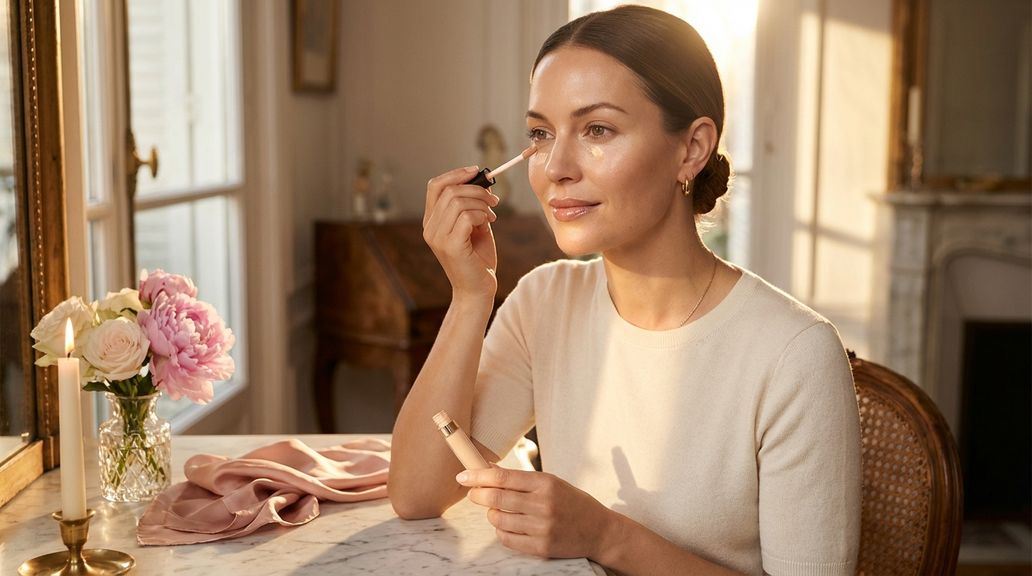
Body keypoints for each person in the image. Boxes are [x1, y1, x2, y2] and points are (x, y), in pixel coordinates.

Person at [388, 6, 861, 575]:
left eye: (598, 130)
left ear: (691, 149)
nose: (555, 166)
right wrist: (469, 297)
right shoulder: (546, 301)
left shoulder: (795, 355)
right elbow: (417, 494)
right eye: (541, 133)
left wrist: (605, 536)